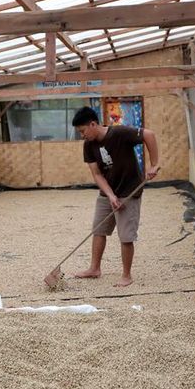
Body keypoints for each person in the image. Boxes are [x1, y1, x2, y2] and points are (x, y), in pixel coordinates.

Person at [71, 106, 159, 287]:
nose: (82, 135)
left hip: (129, 191)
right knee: (98, 230)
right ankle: (94, 268)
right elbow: (97, 174)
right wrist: (110, 195)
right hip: (108, 191)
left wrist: (154, 164)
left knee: (126, 236)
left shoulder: (119, 133)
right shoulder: (88, 145)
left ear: (93, 124)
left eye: (82, 131)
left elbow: (149, 134)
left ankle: (127, 275)